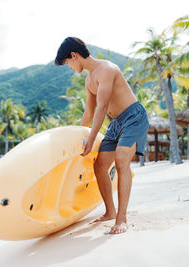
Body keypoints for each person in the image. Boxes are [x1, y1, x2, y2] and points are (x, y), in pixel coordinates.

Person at [55, 37, 149, 234]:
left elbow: (102, 106)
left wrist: (92, 138)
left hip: (133, 116)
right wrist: (78, 138)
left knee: (122, 158)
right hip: (115, 124)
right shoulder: (90, 80)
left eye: (68, 63)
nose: (70, 68)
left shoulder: (107, 69)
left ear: (74, 55)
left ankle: (122, 218)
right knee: (99, 165)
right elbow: (88, 114)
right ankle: (110, 211)